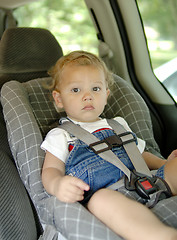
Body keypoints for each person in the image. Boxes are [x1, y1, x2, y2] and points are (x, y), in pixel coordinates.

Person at [41, 50, 177, 240]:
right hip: (107, 195)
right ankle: (162, 236)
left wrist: (164, 164)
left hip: (145, 181)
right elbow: (50, 169)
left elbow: (139, 153)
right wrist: (57, 184)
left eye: (95, 89)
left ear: (106, 94)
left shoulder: (118, 124)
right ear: (59, 99)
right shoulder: (61, 135)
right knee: (100, 201)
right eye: (76, 90)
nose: (87, 96)